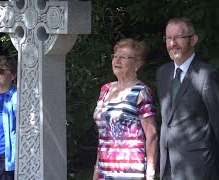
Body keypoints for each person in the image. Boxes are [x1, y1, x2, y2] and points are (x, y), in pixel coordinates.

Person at [157, 17, 219, 180]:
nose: (172, 43)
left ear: (193, 40)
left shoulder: (206, 76)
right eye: (169, 38)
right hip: (168, 164)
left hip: (198, 167)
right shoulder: (162, 73)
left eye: (178, 37)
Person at [93, 38, 158, 180]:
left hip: (130, 172)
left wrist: (150, 173)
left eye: (123, 57)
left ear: (137, 64)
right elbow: (103, 134)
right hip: (104, 170)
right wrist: (96, 170)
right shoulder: (105, 89)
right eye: (115, 56)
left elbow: (152, 135)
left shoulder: (141, 92)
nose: (117, 60)